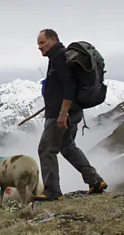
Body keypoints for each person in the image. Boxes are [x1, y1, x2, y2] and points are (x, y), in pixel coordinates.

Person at [33, 29, 108, 201]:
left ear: (53, 40)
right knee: (67, 147)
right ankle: (95, 180)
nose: (40, 47)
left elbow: (69, 86)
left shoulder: (59, 57)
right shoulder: (60, 57)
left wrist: (62, 114)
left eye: (42, 42)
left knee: (46, 150)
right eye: (38, 43)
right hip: (72, 111)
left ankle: (52, 191)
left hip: (61, 114)